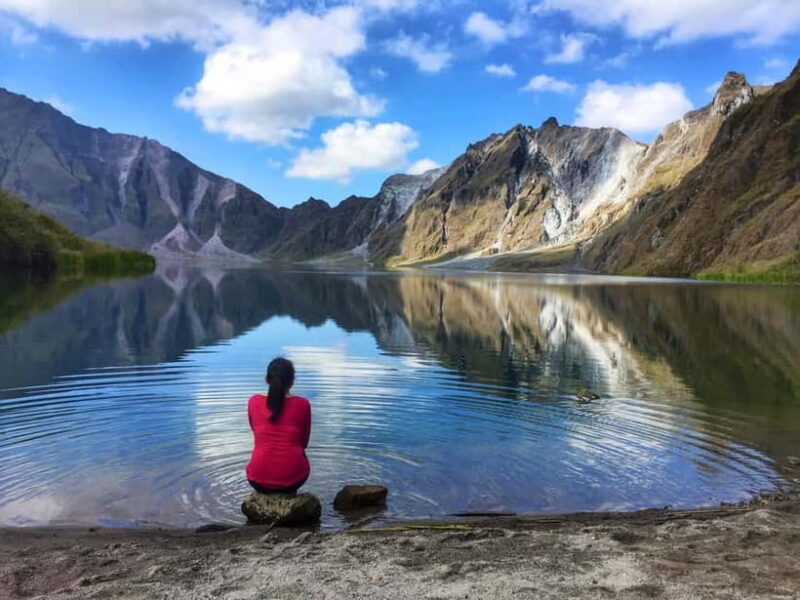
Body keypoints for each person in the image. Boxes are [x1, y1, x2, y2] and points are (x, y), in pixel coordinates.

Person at [246, 358, 311, 494]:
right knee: (298, 451)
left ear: (266, 379)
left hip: (257, 479)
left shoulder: (253, 402)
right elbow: (303, 443)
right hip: (293, 481)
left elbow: (255, 431)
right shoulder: (303, 405)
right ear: (292, 381)